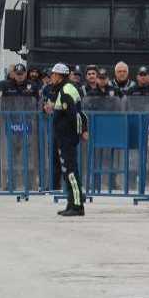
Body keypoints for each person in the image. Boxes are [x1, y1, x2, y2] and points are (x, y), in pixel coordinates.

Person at [44, 63, 86, 217]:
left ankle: (77, 206)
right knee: (67, 172)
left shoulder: (66, 90)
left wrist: (78, 133)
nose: (51, 77)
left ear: (59, 76)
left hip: (67, 138)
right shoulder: (63, 89)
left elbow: (75, 115)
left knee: (71, 173)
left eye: (53, 75)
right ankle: (71, 203)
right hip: (63, 138)